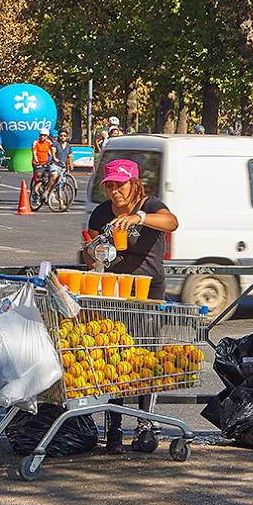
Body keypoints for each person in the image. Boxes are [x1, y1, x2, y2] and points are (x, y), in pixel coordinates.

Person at [84, 159, 179, 454]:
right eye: (110, 186)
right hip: (115, 291)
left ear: (134, 184)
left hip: (148, 291)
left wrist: (138, 218)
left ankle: (145, 425)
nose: (115, 192)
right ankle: (113, 428)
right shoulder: (101, 213)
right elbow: (91, 255)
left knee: (144, 360)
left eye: (120, 185)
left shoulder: (150, 205)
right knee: (115, 358)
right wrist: (95, 250)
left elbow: (172, 222)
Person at [31, 127, 56, 196]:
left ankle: (47, 192)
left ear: (47, 136)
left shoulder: (48, 142)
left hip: (46, 163)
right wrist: (37, 162)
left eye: (44, 135)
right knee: (39, 177)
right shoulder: (36, 142)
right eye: (41, 135)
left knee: (49, 176)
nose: (42, 137)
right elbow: (34, 153)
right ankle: (35, 192)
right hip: (37, 163)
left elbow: (51, 151)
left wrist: (54, 159)